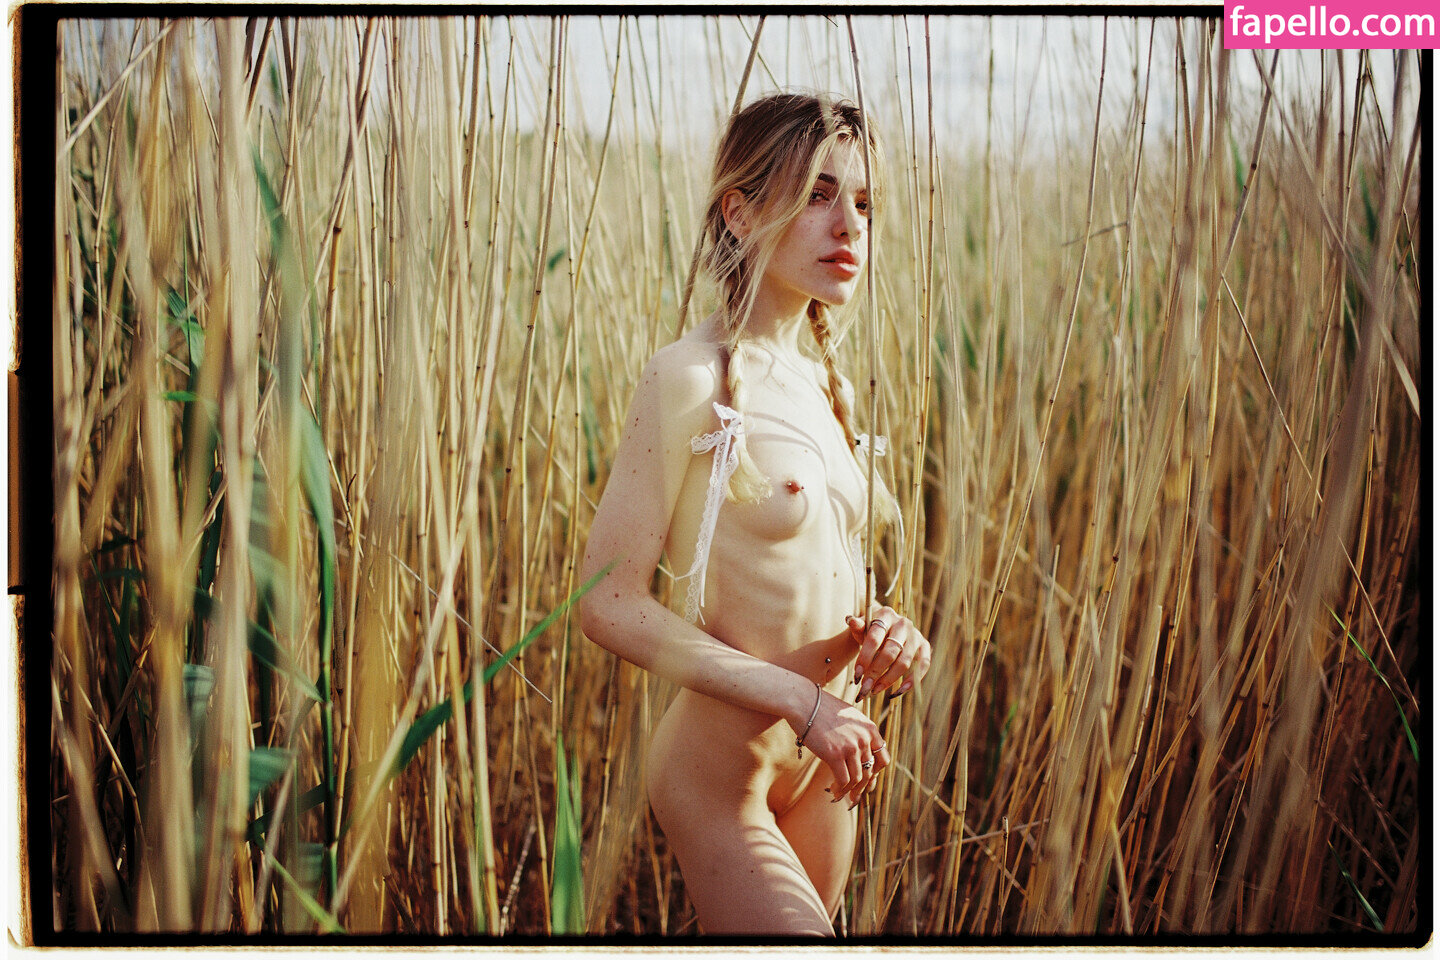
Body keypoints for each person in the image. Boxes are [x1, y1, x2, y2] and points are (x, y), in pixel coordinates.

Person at [578, 92, 932, 936]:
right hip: (724, 773)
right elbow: (606, 602)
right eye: (818, 195)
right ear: (739, 212)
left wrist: (891, 632)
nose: (849, 225)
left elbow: (812, 573)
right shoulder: (689, 377)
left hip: (827, 766)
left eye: (864, 204)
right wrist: (797, 699)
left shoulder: (826, 385)